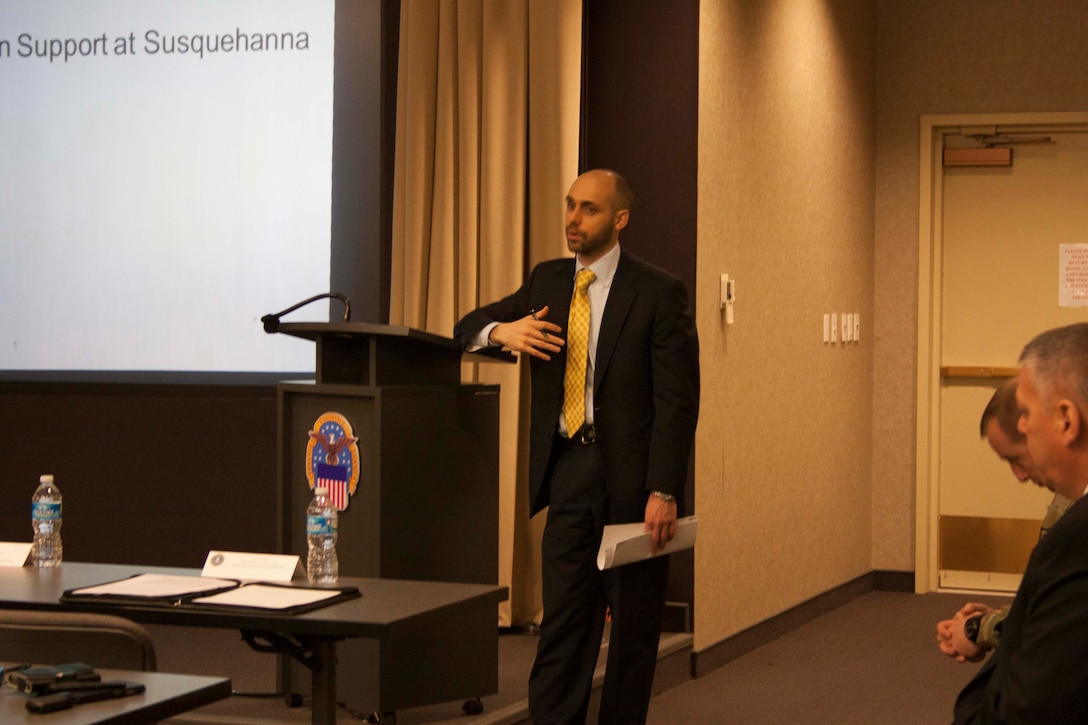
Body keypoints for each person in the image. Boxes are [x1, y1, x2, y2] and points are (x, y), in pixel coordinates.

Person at [454, 169, 700, 724]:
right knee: (563, 629)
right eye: (569, 205)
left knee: (633, 637)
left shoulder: (658, 292)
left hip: (635, 487)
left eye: (588, 208)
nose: (572, 218)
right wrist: (502, 334)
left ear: (620, 219)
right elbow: (466, 325)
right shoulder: (545, 282)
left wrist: (665, 488)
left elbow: (678, 403)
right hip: (567, 472)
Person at [953, 322, 1088, 723]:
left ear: (1066, 419)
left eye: (1027, 412)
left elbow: (1033, 706)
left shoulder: (1077, 537)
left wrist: (986, 629)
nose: (1023, 426)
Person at [936, 379, 1073, 664]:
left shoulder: (1074, 509)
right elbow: (1053, 602)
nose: (1019, 476)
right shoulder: (1068, 498)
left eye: (1017, 458)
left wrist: (978, 629)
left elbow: (1061, 619)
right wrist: (993, 622)